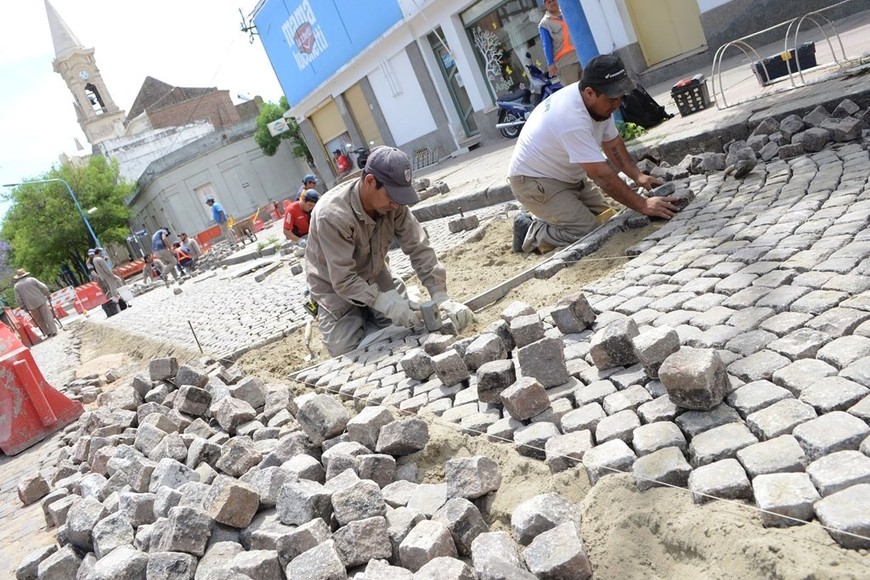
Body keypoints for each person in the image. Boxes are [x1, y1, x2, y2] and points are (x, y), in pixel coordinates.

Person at [306, 146, 474, 356]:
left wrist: (440, 295)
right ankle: (368, 314)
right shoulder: (332, 216)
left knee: (406, 326)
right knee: (345, 350)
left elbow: (419, 247)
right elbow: (343, 279)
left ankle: (382, 309)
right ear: (370, 182)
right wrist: (385, 304)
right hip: (333, 287)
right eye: (392, 196)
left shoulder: (394, 204)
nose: (396, 203)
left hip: (375, 274)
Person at [508, 54, 678, 254]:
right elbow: (601, 176)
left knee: (607, 218)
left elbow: (612, 143)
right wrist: (643, 205)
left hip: (568, 176)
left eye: (620, 96)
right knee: (587, 231)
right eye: (612, 98)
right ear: (589, 92)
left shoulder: (599, 104)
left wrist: (638, 176)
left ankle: (558, 214)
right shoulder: (571, 118)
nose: (617, 103)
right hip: (533, 182)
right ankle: (530, 231)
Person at [539, 0, 582, 86]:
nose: (552, 3)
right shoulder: (544, 24)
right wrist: (550, 64)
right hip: (565, 64)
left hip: (580, 56)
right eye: (549, 2)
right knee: (573, 91)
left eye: (553, 0)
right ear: (545, 5)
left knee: (590, 88)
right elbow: (547, 46)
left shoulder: (567, 12)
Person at [12, 269, 57, 338]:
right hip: (41, 301)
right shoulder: (32, 279)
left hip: (30, 305)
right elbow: (43, 287)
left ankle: (47, 332)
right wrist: (47, 294)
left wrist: (22, 306)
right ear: (25, 274)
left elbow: (18, 299)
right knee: (48, 316)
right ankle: (53, 331)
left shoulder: (16, 286)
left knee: (39, 320)